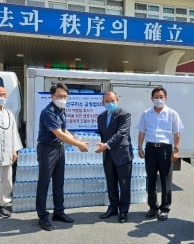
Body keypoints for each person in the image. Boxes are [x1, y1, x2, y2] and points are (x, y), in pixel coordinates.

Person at [36, 82, 88, 231]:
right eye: (59, 96)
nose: (62, 99)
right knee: (44, 183)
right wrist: (78, 145)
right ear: (52, 96)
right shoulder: (48, 112)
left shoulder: (61, 110)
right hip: (47, 149)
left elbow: (64, 131)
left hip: (59, 149)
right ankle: (43, 216)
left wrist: (77, 141)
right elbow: (58, 134)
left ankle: (59, 212)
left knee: (59, 182)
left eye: (65, 96)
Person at [137, 86, 184, 221]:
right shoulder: (146, 113)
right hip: (150, 149)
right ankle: (153, 207)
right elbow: (141, 131)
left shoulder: (172, 114)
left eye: (161, 97)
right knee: (150, 179)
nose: (158, 99)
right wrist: (140, 148)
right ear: (152, 99)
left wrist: (176, 150)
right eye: (156, 97)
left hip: (165, 149)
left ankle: (165, 208)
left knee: (165, 180)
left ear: (166, 98)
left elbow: (177, 133)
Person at [0, 86, 23, 224]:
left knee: (7, 180)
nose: (2, 97)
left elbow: (14, 133)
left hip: (8, 152)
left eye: (4, 95)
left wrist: (14, 150)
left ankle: (3, 205)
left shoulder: (9, 113)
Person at [96, 91, 133, 223]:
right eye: (107, 101)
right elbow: (99, 134)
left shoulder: (124, 114)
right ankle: (113, 208)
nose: (110, 103)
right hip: (108, 156)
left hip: (122, 154)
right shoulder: (100, 117)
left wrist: (106, 145)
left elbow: (121, 133)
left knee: (124, 184)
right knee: (111, 183)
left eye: (112, 100)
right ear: (103, 103)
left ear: (117, 99)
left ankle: (123, 211)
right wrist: (88, 140)